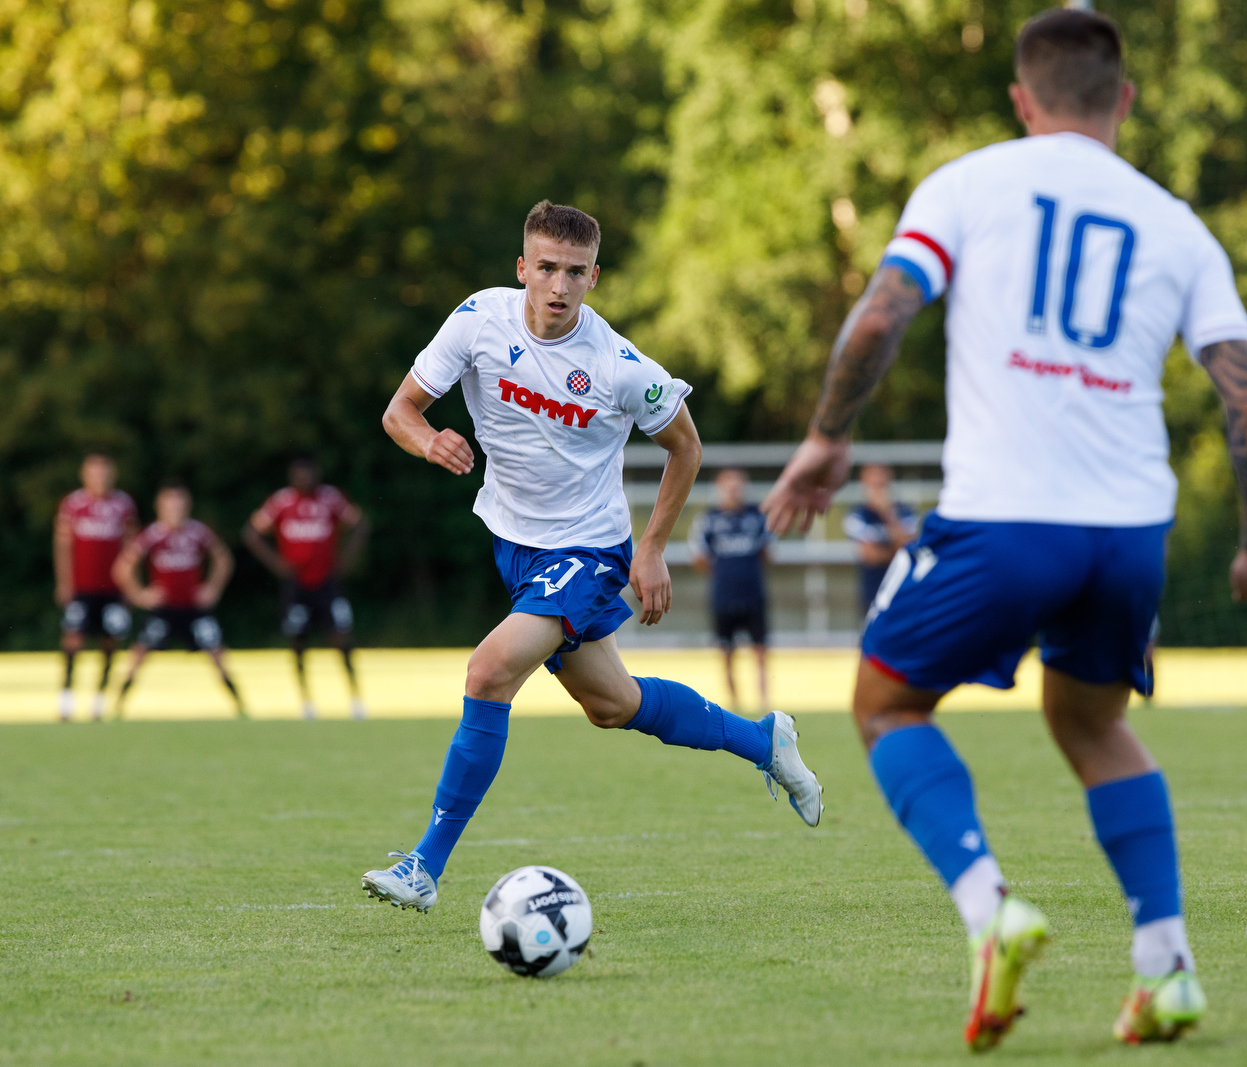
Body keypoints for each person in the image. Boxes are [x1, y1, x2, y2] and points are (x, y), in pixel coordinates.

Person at [764, 8, 1247, 1049]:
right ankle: (1167, 964)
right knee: (1092, 721)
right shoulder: (1177, 224)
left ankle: (990, 907)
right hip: (1128, 534)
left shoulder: (968, 183)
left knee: (884, 703)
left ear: (1021, 99)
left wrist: (829, 437)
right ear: (1126, 99)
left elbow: (878, 315)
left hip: (1005, 519)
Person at [360, 201, 822, 916]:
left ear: (594, 278)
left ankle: (425, 865)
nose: (558, 285)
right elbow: (400, 410)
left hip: (586, 547)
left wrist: (653, 547)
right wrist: (428, 441)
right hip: (514, 544)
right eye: (545, 267)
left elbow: (686, 448)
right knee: (613, 704)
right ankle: (763, 741)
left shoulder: (618, 365)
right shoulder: (479, 319)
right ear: (522, 269)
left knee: (488, 671)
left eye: (575, 272)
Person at [243, 454, 371, 720]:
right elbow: (252, 532)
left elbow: (360, 524)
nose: (305, 479)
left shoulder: (330, 498)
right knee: (298, 642)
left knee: (342, 639)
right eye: (300, 474)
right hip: (297, 586)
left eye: (309, 473)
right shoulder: (281, 502)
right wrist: (277, 563)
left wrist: (346, 560)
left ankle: (355, 698)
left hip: (328, 584)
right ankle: (306, 701)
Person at [113, 480, 246, 718]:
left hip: (193, 609)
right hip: (163, 609)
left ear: (187, 505)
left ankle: (241, 706)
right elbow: (123, 567)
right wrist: (140, 595)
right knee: (139, 655)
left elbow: (223, 559)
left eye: (179, 502)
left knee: (218, 654)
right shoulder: (153, 535)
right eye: (170, 503)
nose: (175, 508)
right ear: (160, 506)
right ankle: (117, 706)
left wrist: (212, 589)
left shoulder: (197, 532)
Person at [53, 454, 139, 722]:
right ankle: (66, 696)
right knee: (73, 639)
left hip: (113, 589)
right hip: (82, 587)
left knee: (110, 641)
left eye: (104, 473)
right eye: (94, 473)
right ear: (84, 475)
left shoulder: (123, 505)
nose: (100, 478)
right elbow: (63, 546)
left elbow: (132, 548)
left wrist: (130, 586)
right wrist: (64, 582)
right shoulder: (73, 504)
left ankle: (100, 699)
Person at [688, 468, 773, 711]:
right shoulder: (708, 519)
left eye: (738, 485)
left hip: (753, 592)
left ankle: (764, 702)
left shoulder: (758, 516)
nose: (734, 490)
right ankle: (734, 703)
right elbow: (699, 557)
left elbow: (768, 552)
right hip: (723, 594)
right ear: (719, 488)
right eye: (729, 485)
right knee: (726, 652)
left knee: (761, 650)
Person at [843, 463, 918, 614]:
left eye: (881, 485)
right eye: (874, 485)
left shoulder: (906, 512)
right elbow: (870, 556)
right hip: (872, 595)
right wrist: (896, 551)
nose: (878, 490)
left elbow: (910, 550)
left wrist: (888, 513)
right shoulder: (858, 514)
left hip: (904, 593)